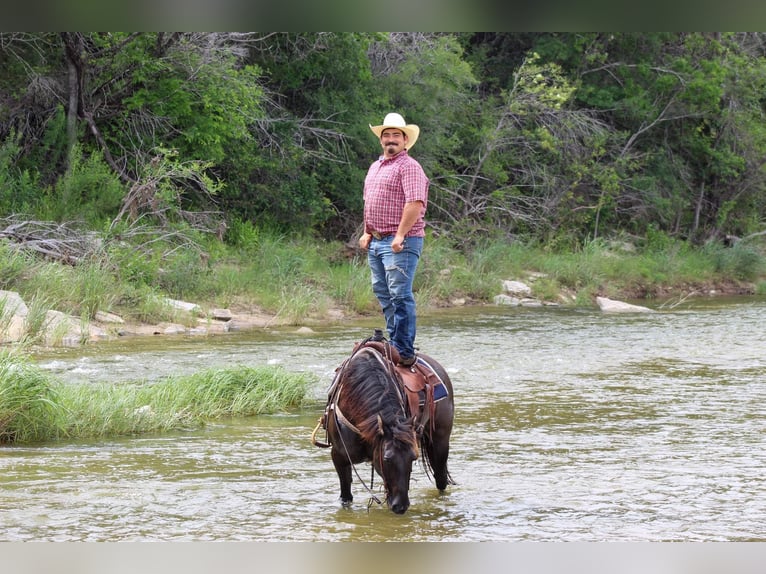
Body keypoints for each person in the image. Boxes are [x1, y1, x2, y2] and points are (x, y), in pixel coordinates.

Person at [358, 112, 429, 367]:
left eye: (395, 136)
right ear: (381, 140)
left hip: (401, 241)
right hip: (377, 240)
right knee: (383, 292)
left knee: (399, 293)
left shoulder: (409, 167)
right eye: (386, 135)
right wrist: (367, 231)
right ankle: (393, 340)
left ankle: (404, 349)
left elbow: (415, 203)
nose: (390, 140)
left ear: (405, 140)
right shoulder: (376, 166)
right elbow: (370, 201)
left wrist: (399, 235)